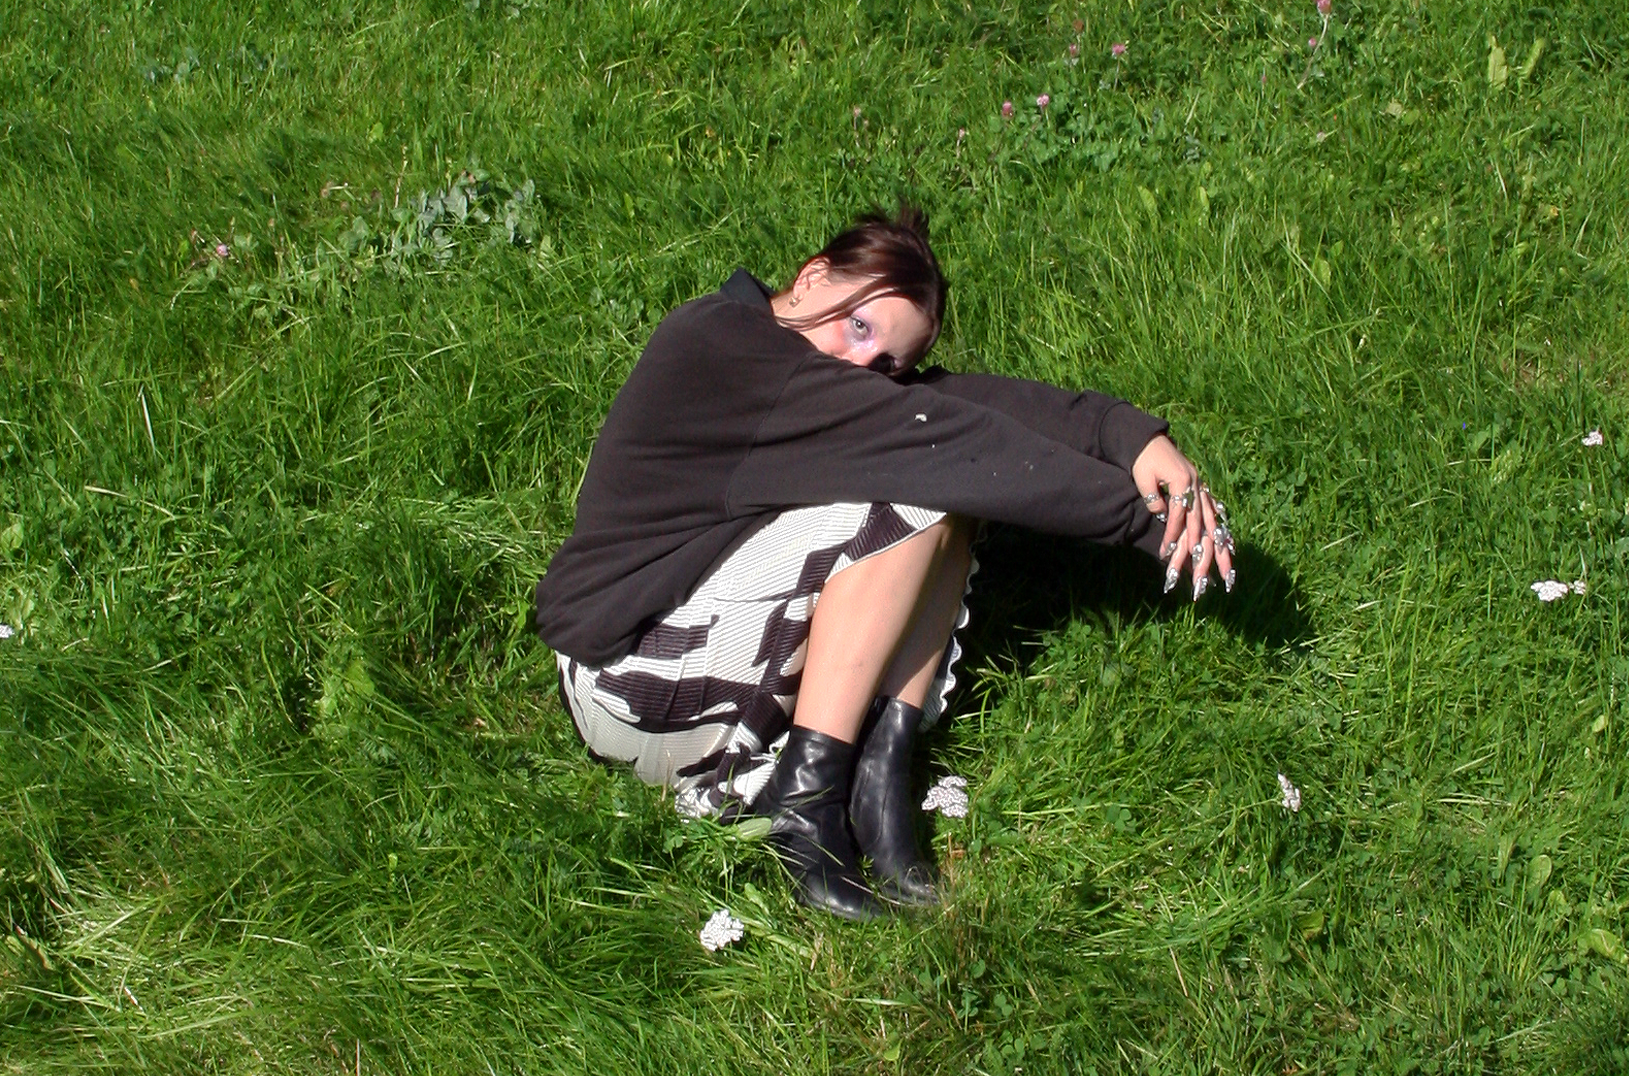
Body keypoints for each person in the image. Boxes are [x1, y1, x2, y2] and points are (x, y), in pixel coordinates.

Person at [534, 205, 1234, 921]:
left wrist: (1127, 436)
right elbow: (954, 439)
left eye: (887, 364)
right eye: (858, 326)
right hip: (625, 676)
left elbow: (968, 404)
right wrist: (1150, 528)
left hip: (686, 653)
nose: (861, 365)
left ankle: (878, 775)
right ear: (813, 278)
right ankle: (804, 805)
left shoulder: (809, 370)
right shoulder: (725, 345)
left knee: (938, 475)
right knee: (922, 487)